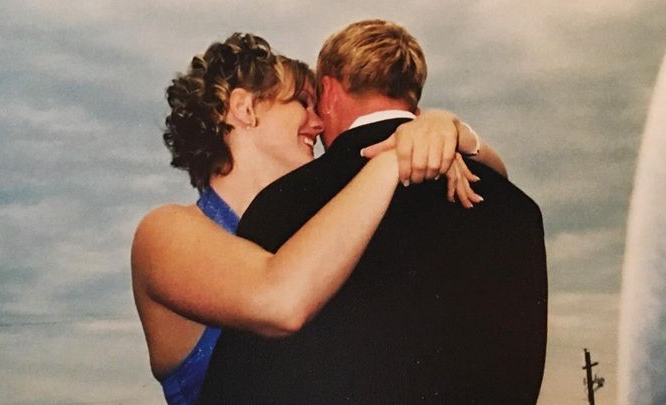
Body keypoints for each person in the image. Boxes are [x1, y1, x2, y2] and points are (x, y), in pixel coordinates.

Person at [131, 33, 503, 404]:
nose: (319, 121)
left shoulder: (314, 227)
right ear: (244, 108)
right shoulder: (163, 232)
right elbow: (280, 301)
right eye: (303, 103)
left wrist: (448, 131)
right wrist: (394, 160)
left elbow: (498, 186)